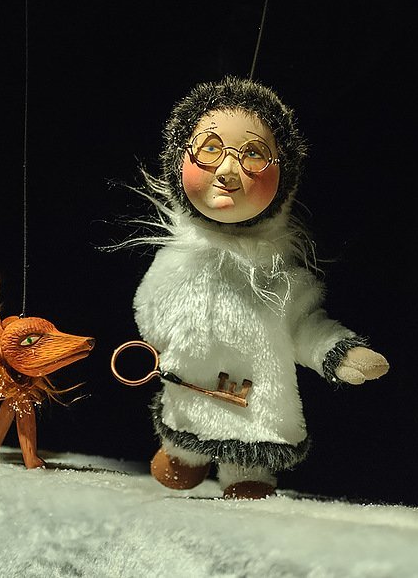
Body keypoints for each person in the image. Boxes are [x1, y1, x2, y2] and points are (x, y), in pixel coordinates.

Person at [131, 76, 389, 499]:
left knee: (248, 456)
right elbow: (150, 314)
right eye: (209, 149)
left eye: (253, 154)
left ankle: (245, 473)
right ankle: (182, 453)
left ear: (283, 178)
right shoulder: (176, 260)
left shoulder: (277, 276)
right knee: (182, 430)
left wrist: (338, 352)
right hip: (188, 391)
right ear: (179, 161)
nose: (227, 171)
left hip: (252, 406)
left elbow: (305, 326)